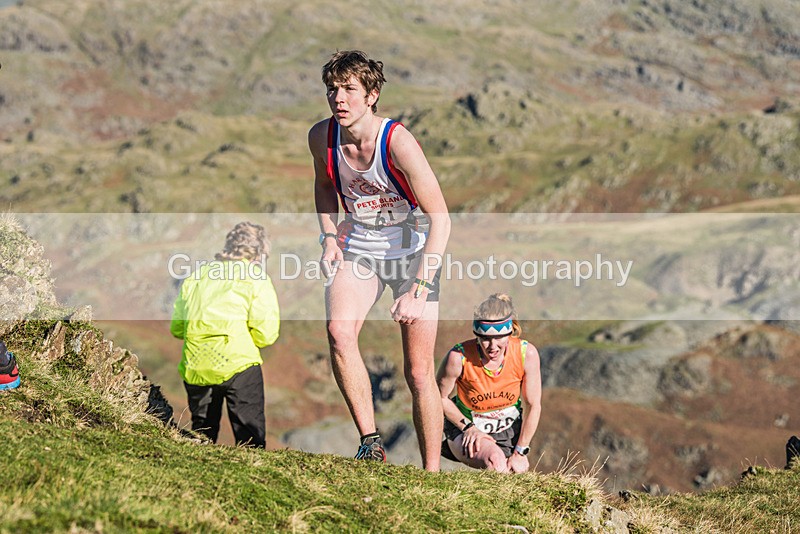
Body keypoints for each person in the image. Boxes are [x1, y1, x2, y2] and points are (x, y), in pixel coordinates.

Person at [308, 50, 451, 471]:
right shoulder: (321, 137)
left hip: (413, 252)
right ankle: (370, 443)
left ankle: (431, 474)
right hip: (359, 247)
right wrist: (329, 239)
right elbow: (323, 185)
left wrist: (418, 289)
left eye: (349, 89)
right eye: (332, 89)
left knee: (419, 372)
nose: (339, 98)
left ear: (371, 95)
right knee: (339, 332)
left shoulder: (398, 142)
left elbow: (441, 220)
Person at [170, 222, 280, 448]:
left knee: (201, 435)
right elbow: (266, 334)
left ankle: (197, 465)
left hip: (196, 365)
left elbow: (177, 328)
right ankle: (253, 467)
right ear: (259, 252)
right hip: (239, 365)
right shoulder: (256, 277)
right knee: (250, 438)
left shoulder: (197, 276)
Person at [436, 294, 542, 473]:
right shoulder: (458, 357)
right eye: (485, 338)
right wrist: (468, 427)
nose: (492, 346)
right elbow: (439, 397)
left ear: (510, 332)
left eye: (499, 338)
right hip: (466, 429)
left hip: (509, 431)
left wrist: (521, 451)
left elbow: (533, 405)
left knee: (513, 474)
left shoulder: (526, 353)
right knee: (496, 462)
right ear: (477, 335)